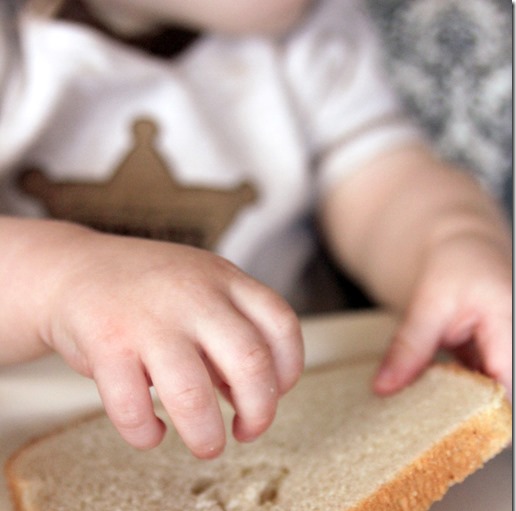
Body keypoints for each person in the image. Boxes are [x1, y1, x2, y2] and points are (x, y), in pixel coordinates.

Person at [0, 0, 511, 458]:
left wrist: (455, 241)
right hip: (37, 417)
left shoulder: (315, 39)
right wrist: (63, 282)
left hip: (285, 410)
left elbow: (385, 187)